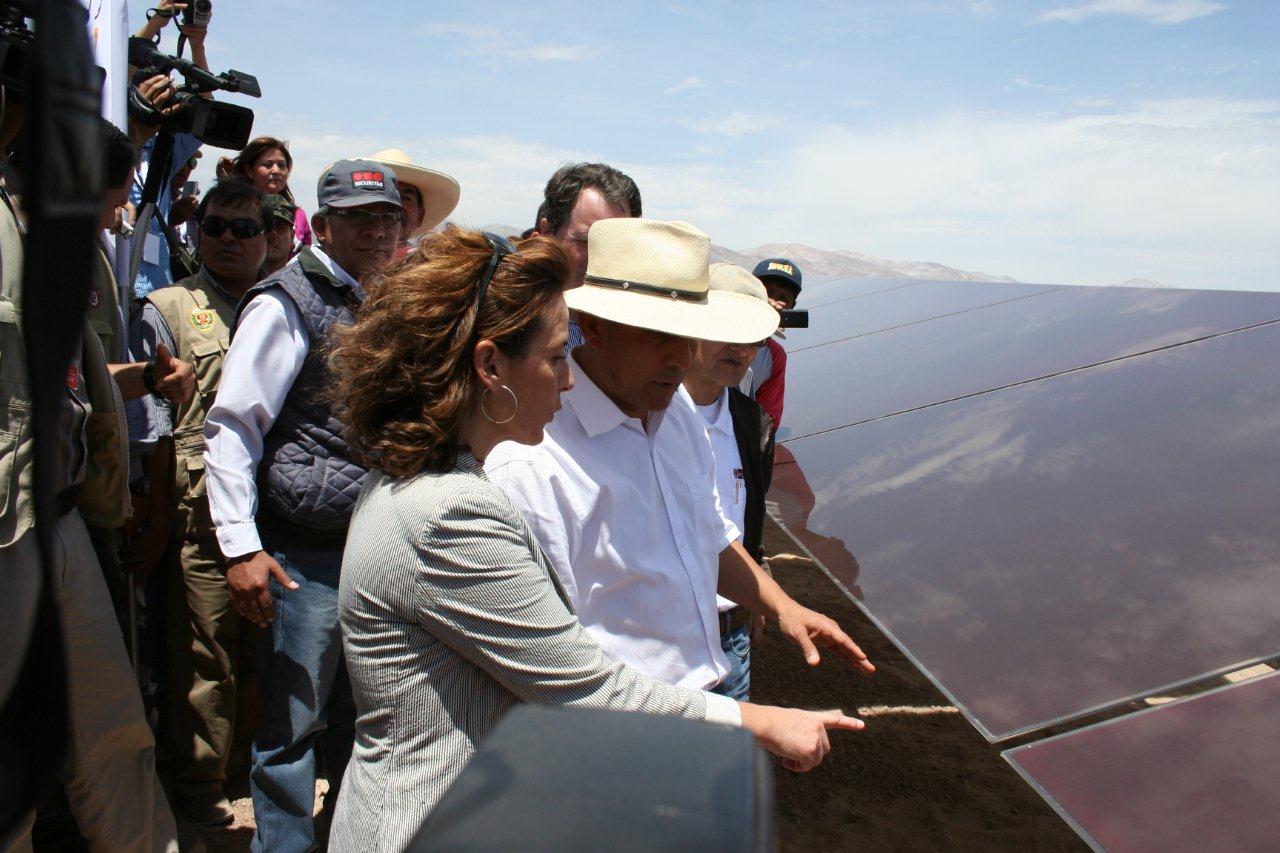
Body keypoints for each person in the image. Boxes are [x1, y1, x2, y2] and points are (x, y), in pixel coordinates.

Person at [327, 227, 865, 851]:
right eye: (557, 356)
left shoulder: (433, 481)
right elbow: (578, 684)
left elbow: (704, 539)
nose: (566, 379)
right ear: (490, 365)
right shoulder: (452, 510)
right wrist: (761, 721)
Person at [486, 218, 875, 697]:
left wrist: (784, 607)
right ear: (594, 326)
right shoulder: (534, 460)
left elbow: (710, 535)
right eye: (658, 335)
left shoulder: (679, 417)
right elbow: (553, 664)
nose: (680, 357)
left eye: (691, 335)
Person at [0, 117, 188, 853]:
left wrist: (144, 380)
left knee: (111, 732)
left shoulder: (72, 256)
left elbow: (64, 387)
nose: (119, 215)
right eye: (114, 197)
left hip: (60, 519)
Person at [203, 159, 403, 851]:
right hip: (303, 555)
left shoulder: (382, 300)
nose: (377, 231)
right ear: (321, 226)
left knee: (363, 722)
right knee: (292, 729)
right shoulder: (287, 301)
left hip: (371, 552)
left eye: (388, 217)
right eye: (359, 218)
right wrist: (240, 545)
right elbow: (233, 426)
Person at [134, 180, 272, 827]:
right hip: (195, 518)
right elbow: (148, 425)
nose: (227, 240)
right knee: (202, 659)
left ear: (268, 237)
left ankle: (242, 767)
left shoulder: (280, 307)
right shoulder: (166, 307)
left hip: (269, 518)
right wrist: (157, 512)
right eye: (215, 226)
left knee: (259, 658)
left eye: (243, 229)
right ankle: (199, 788)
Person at [683, 264, 780, 701]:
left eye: (754, 338)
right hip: (663, 640)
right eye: (727, 330)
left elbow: (747, 519)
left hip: (731, 644)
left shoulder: (753, 424)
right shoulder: (645, 417)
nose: (741, 350)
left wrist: (754, 586)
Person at [532, 162, 640, 349]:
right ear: (547, 232)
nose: (601, 258)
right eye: (586, 242)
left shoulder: (627, 337)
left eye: (617, 247)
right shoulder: (508, 324)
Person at [220, 136, 312, 249]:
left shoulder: (298, 215)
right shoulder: (233, 209)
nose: (276, 170)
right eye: (268, 165)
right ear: (249, 170)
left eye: (282, 165)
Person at [366, 148, 459, 257]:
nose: (395, 204)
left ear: (420, 215)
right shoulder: (346, 266)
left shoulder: (431, 270)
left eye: (405, 198)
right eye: (384, 195)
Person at [747, 257, 802, 428]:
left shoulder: (774, 356)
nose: (774, 302)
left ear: (791, 307)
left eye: (783, 297)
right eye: (767, 292)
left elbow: (768, 419)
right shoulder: (711, 329)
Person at [261, 193, 298, 277]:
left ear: (292, 236)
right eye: (267, 226)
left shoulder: (305, 285)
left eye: (280, 227)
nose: (273, 235)